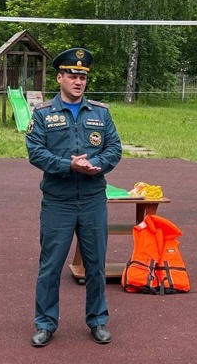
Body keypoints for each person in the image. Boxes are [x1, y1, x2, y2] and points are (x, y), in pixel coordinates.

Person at [25, 48, 122, 347]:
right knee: (51, 265)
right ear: (60, 78)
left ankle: (97, 320)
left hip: (93, 197)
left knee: (96, 264)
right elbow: (35, 152)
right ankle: (45, 323)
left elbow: (114, 148)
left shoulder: (101, 113)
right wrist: (69, 164)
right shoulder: (43, 114)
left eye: (82, 76)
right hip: (59, 200)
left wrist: (98, 165)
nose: (78, 81)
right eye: (72, 75)